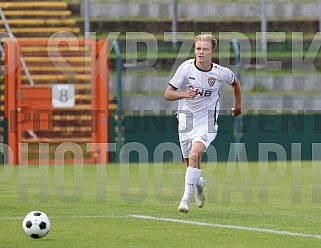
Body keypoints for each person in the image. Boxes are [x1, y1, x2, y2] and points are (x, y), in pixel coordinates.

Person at [164, 34, 242, 214]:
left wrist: (237, 106)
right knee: (190, 164)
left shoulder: (220, 72)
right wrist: (185, 94)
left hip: (207, 123)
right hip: (185, 123)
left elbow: (235, 82)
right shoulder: (186, 68)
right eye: (198, 48)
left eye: (205, 49)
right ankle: (199, 184)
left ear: (212, 52)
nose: (201, 52)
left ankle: (184, 201)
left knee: (194, 155)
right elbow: (168, 94)